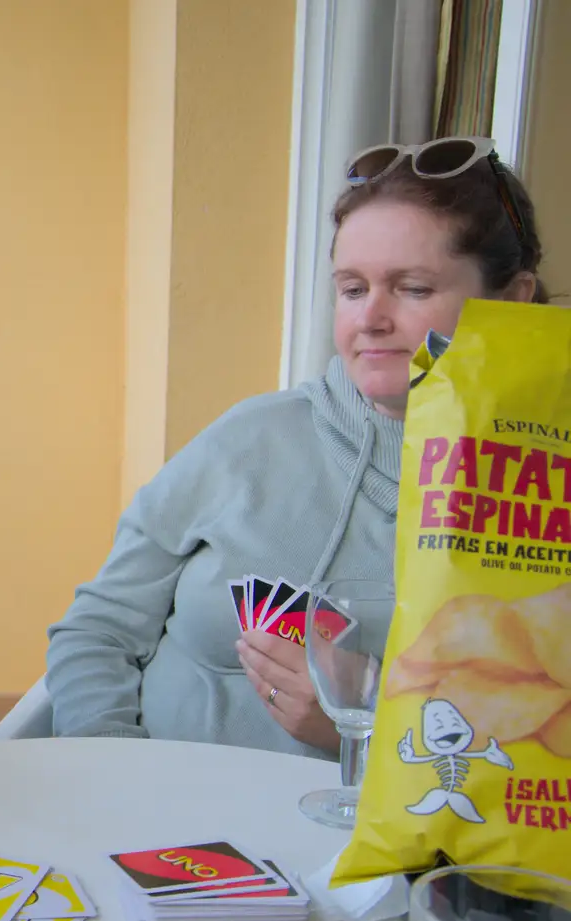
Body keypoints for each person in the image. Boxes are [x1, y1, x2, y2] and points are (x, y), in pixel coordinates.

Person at [46, 136, 548, 758]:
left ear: (514, 300)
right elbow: (98, 629)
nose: (371, 319)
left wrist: (363, 736)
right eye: (353, 288)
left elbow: (536, 766)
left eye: (413, 288)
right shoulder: (250, 437)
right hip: (148, 823)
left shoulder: (542, 499)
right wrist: (110, 766)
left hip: (373, 849)